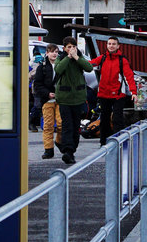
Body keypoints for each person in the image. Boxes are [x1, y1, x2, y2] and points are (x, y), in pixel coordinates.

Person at [88, 36, 136, 146]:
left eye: (113, 44)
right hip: (104, 94)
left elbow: (129, 76)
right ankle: (104, 142)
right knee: (104, 119)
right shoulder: (103, 58)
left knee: (117, 119)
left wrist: (134, 92)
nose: (111, 46)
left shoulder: (122, 60)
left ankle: (118, 141)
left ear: (118, 46)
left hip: (118, 95)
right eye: (109, 44)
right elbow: (90, 64)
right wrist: (77, 60)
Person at [53, 36, 93, 164]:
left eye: (73, 47)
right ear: (64, 48)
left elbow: (89, 68)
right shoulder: (61, 58)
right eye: (69, 47)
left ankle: (72, 149)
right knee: (67, 126)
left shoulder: (79, 57)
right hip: (64, 98)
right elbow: (58, 69)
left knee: (76, 127)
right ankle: (67, 151)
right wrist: (68, 57)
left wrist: (76, 57)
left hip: (78, 98)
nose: (71, 49)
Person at [32, 44, 62, 159]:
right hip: (47, 100)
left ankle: (59, 141)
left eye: (56, 52)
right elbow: (38, 84)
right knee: (48, 125)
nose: (54, 54)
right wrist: (47, 94)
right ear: (47, 53)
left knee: (61, 123)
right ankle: (48, 149)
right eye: (52, 52)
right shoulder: (42, 67)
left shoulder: (61, 65)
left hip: (60, 99)